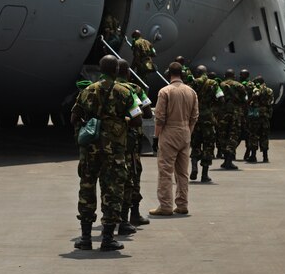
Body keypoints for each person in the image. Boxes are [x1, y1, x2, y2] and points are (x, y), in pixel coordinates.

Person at [70, 55, 143, 251]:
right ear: (117, 71)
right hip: (114, 152)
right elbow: (138, 119)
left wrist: (86, 129)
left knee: (87, 188)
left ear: (101, 69)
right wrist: (120, 122)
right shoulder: (125, 92)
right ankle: (108, 238)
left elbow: (74, 116)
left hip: (90, 150)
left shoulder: (87, 90)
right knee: (112, 191)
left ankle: (85, 238)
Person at [151, 62, 199, 215]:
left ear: (168, 74)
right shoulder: (191, 92)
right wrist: (187, 132)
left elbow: (159, 118)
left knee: (165, 171)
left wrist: (155, 137)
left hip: (169, 133)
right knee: (182, 172)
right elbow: (194, 116)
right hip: (185, 132)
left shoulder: (165, 91)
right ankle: (182, 204)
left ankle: (165, 206)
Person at [116, 59, 153, 231]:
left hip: (110, 142)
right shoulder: (135, 89)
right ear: (128, 73)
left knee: (112, 178)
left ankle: (112, 215)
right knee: (133, 176)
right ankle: (133, 214)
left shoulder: (99, 89)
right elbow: (146, 113)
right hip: (131, 142)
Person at [189, 64, 223, 182]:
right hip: (208, 118)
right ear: (206, 72)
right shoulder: (213, 84)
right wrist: (213, 108)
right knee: (208, 145)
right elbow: (221, 98)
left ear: (197, 73)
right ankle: (204, 174)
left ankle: (194, 166)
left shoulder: (193, 83)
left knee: (195, 143)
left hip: (195, 117)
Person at [218, 69, 247, 169]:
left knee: (223, 135)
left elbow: (216, 98)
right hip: (235, 114)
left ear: (225, 75)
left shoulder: (220, 85)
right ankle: (229, 161)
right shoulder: (239, 85)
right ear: (234, 76)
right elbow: (244, 100)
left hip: (223, 114)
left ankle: (225, 159)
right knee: (233, 135)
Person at [244, 75, 274, 163]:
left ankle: (253, 156)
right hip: (265, 116)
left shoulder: (256, 90)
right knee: (264, 136)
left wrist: (249, 101)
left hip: (256, 116)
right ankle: (265, 157)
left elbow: (256, 96)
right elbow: (271, 102)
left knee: (254, 135)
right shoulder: (270, 90)